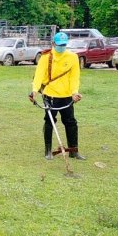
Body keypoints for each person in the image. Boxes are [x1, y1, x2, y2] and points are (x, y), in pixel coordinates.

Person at [30, 32, 85, 160]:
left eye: (64, 45)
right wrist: (34, 91)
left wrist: (75, 92)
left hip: (67, 96)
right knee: (49, 122)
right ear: (53, 44)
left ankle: (73, 151)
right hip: (50, 95)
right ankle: (48, 151)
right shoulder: (46, 57)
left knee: (71, 122)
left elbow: (74, 77)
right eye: (59, 45)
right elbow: (38, 76)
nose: (61, 47)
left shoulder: (73, 57)